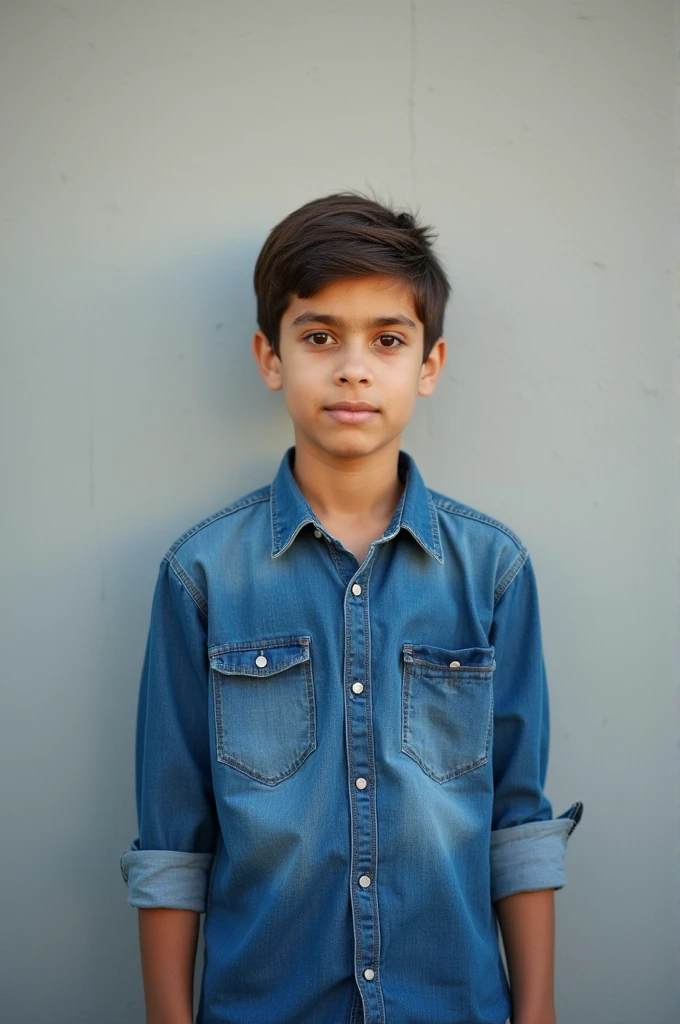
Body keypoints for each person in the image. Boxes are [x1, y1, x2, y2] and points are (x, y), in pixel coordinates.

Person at [120, 191, 583, 1024]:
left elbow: (519, 823)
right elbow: (170, 843)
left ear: (430, 365)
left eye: (388, 340)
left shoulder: (493, 572)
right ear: (270, 356)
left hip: (455, 1005)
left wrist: (538, 1014)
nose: (353, 367)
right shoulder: (201, 577)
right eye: (320, 336)